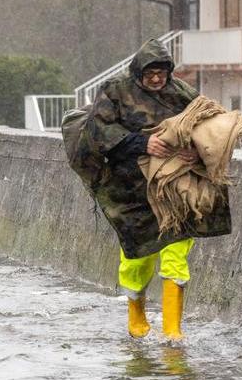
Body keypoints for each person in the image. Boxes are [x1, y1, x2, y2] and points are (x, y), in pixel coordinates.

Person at [81, 38, 231, 340]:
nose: (156, 79)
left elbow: (210, 124)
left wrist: (198, 152)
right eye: (150, 73)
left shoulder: (180, 93)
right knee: (138, 257)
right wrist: (142, 143)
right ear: (138, 72)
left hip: (175, 190)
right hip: (131, 191)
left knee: (176, 253)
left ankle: (173, 329)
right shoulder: (115, 91)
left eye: (162, 73)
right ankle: (136, 311)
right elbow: (98, 131)